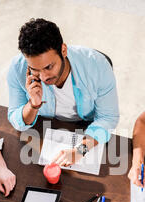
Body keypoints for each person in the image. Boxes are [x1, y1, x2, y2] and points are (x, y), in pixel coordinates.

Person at [7, 18, 119, 167]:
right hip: (45, 129)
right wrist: (33, 104)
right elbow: (16, 121)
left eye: (48, 67)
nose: (43, 77)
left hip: (87, 128)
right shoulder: (17, 68)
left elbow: (108, 118)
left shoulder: (97, 66)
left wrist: (80, 151)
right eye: (35, 69)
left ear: (63, 50)